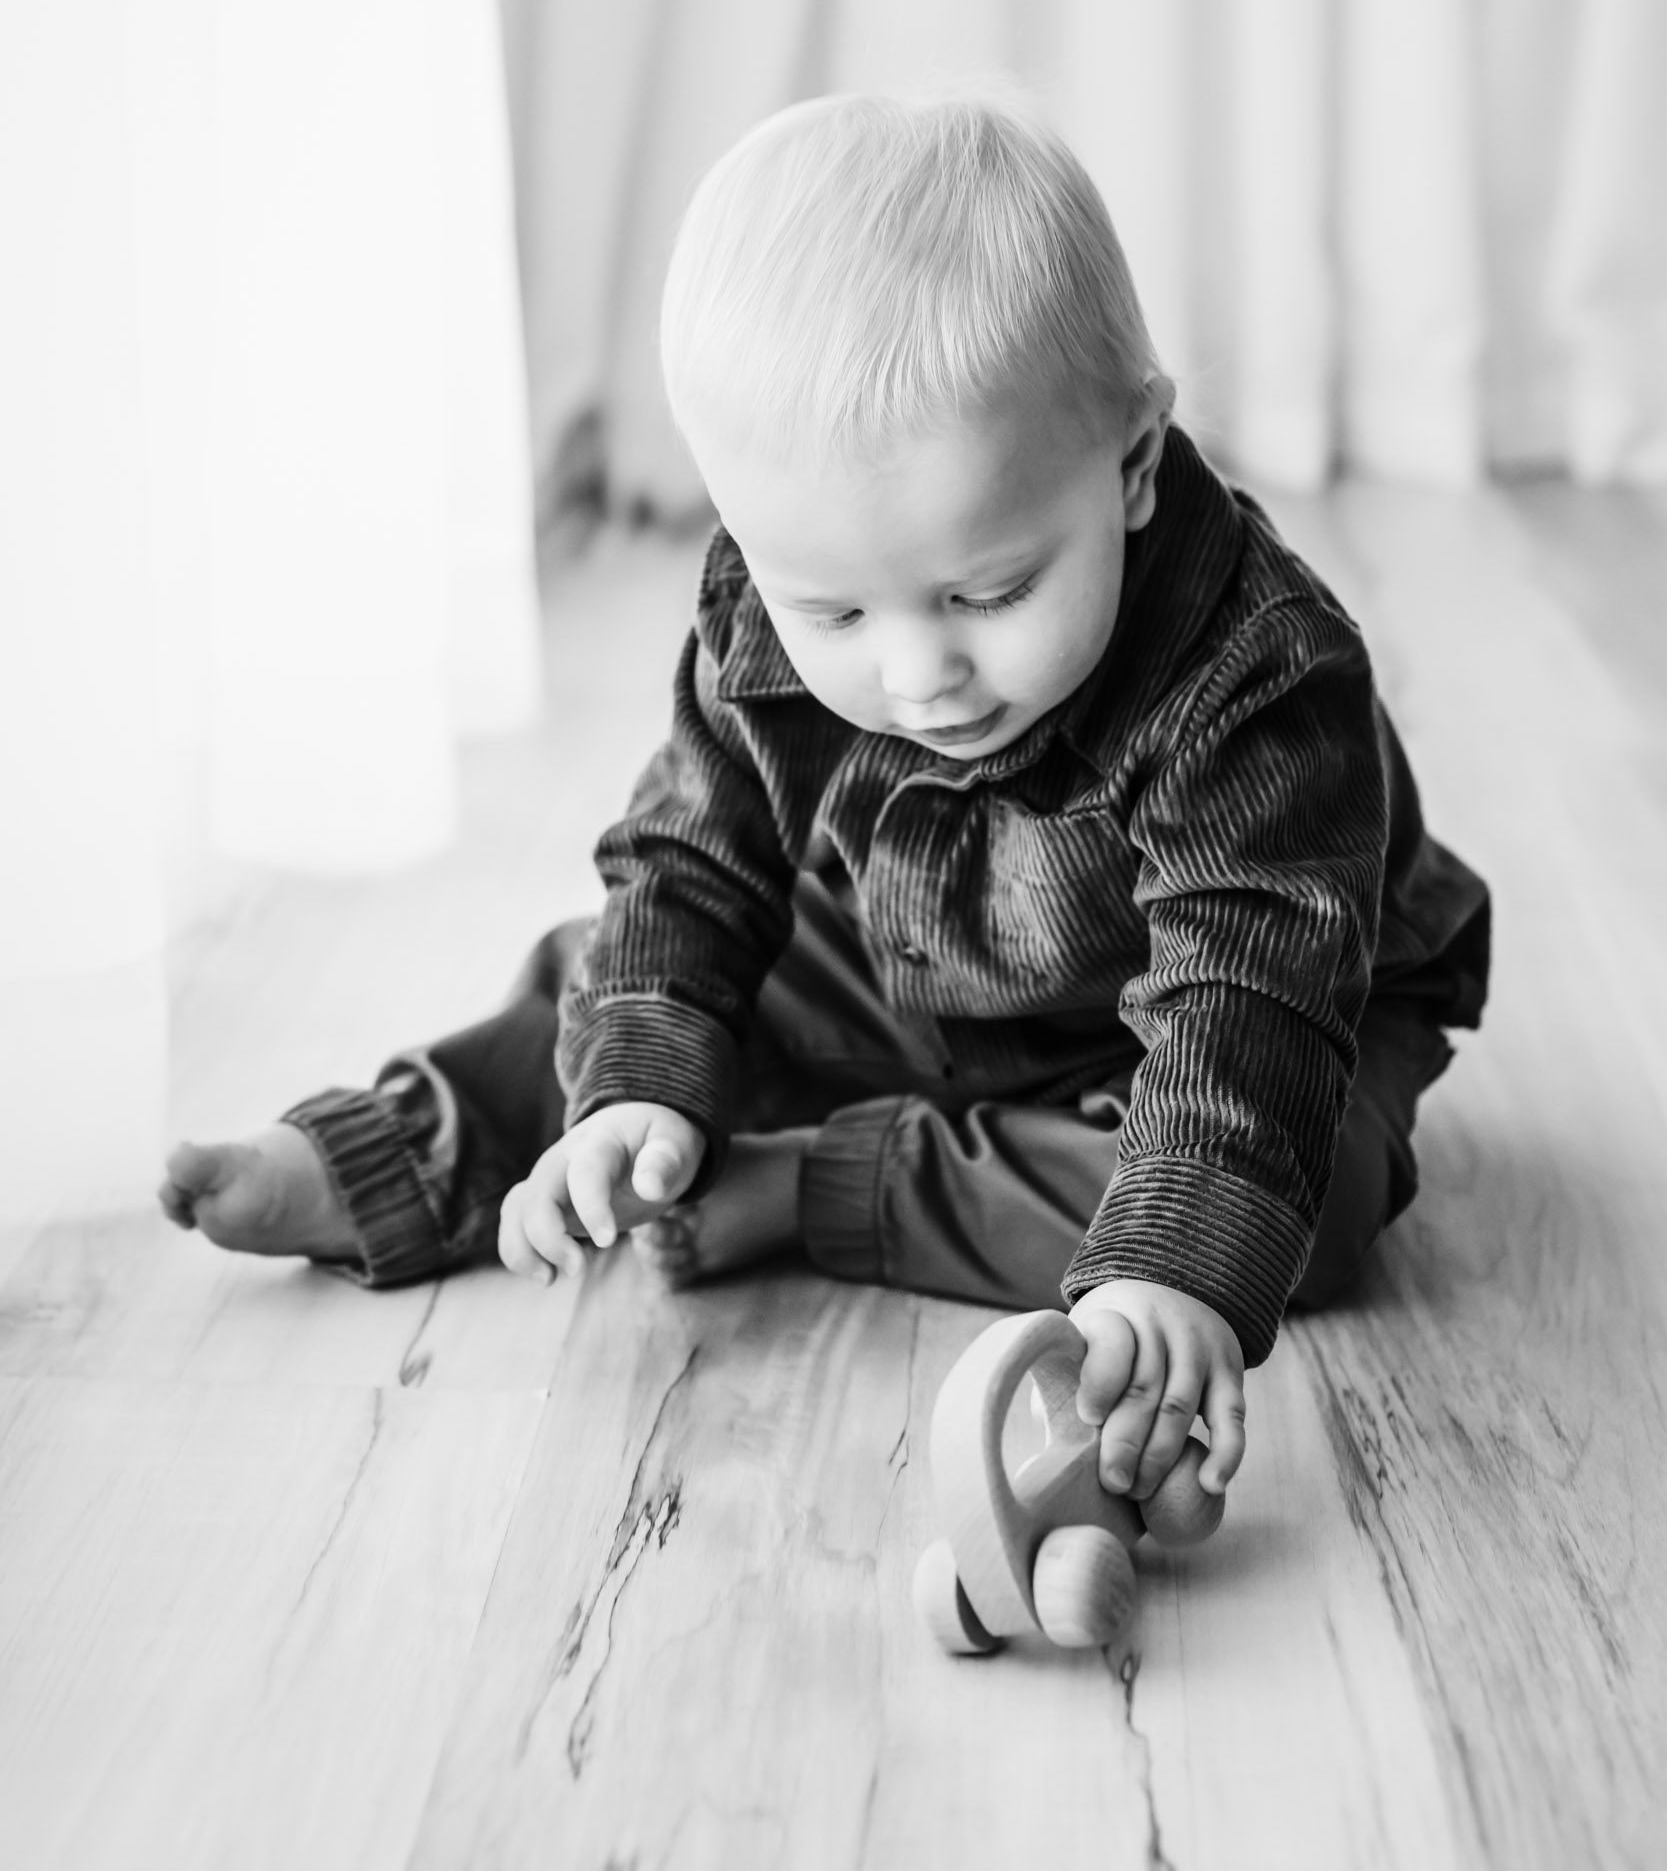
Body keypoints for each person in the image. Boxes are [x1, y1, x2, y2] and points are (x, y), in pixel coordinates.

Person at [161, 93, 1489, 1510]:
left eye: (989, 590)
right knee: (622, 983)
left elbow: (1245, 987)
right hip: (911, 941)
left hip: (1250, 1002)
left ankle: (822, 1188)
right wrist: (635, 1088)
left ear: (1134, 462)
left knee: (1311, 1202)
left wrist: (1174, 1272)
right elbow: (692, 859)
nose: (919, 671)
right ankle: (403, 1154)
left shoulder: (1256, 676)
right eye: (833, 608)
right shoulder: (768, 599)